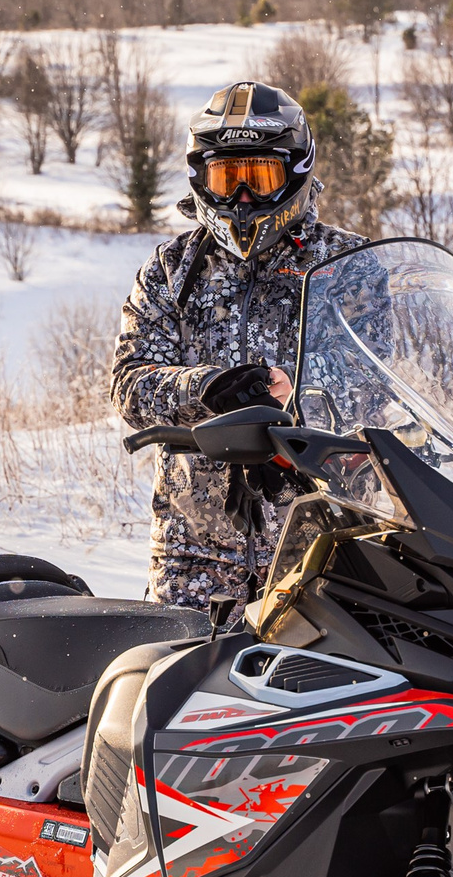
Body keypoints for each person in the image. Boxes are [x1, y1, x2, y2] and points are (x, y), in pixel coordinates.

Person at [112, 81, 369, 614]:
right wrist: (207, 388)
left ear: (295, 172)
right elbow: (129, 384)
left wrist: (293, 393)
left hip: (323, 544)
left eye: (258, 176)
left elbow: (378, 377)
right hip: (196, 552)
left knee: (325, 693)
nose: (242, 198)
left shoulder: (350, 267)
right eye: (227, 178)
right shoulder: (172, 270)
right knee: (180, 690)